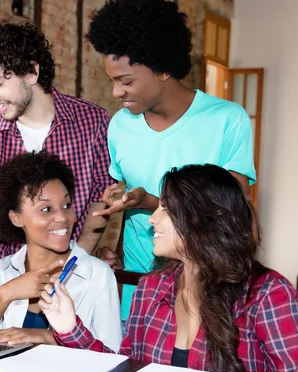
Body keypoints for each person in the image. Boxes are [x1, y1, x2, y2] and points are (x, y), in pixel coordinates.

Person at [40, 164, 298, 372]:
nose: (152, 218)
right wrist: (70, 327)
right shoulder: (151, 287)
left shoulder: (266, 293)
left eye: (166, 210)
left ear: (203, 220)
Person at [86, 0, 257, 322]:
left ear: (163, 69)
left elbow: (229, 216)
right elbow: (129, 209)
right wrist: (120, 254)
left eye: (126, 81)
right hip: (137, 282)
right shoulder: (120, 126)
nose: (115, 92)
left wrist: (153, 201)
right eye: (112, 80)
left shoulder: (225, 120)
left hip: (202, 282)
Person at [0, 21, 113, 307]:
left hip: (73, 277)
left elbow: (99, 208)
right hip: (1, 281)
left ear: (31, 71)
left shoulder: (93, 123)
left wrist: (71, 271)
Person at [0, 152, 122, 352]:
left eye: (67, 205)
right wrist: (6, 293)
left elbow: (113, 357)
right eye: (46, 209)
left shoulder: (97, 274)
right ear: (16, 218)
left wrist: (44, 336)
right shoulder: (1, 272)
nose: (62, 217)